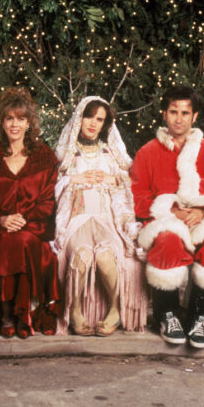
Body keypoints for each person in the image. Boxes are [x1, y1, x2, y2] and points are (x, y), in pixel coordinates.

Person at [131, 85, 204, 348]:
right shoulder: (147, 152)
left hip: (203, 221)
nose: (179, 119)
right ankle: (167, 315)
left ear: (194, 116)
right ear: (164, 114)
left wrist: (203, 210)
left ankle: (201, 317)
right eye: (173, 112)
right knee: (167, 242)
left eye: (185, 113)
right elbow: (137, 197)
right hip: (165, 220)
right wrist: (170, 210)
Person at [54, 96, 147, 336]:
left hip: (106, 218)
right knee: (82, 255)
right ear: (80, 118)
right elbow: (51, 185)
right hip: (78, 218)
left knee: (106, 257)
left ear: (105, 124)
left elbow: (132, 181)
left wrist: (113, 179)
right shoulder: (67, 155)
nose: (93, 123)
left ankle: (115, 309)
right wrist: (72, 180)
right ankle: (75, 310)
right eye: (89, 116)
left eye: (99, 119)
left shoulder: (110, 154)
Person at [0, 88, 60, 339]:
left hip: (34, 227)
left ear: (29, 122)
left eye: (21, 118)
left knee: (19, 239)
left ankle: (21, 314)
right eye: (9, 118)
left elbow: (48, 201)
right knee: (3, 238)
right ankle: (7, 313)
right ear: (2, 122)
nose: (15, 124)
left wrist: (22, 220)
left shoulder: (44, 156)